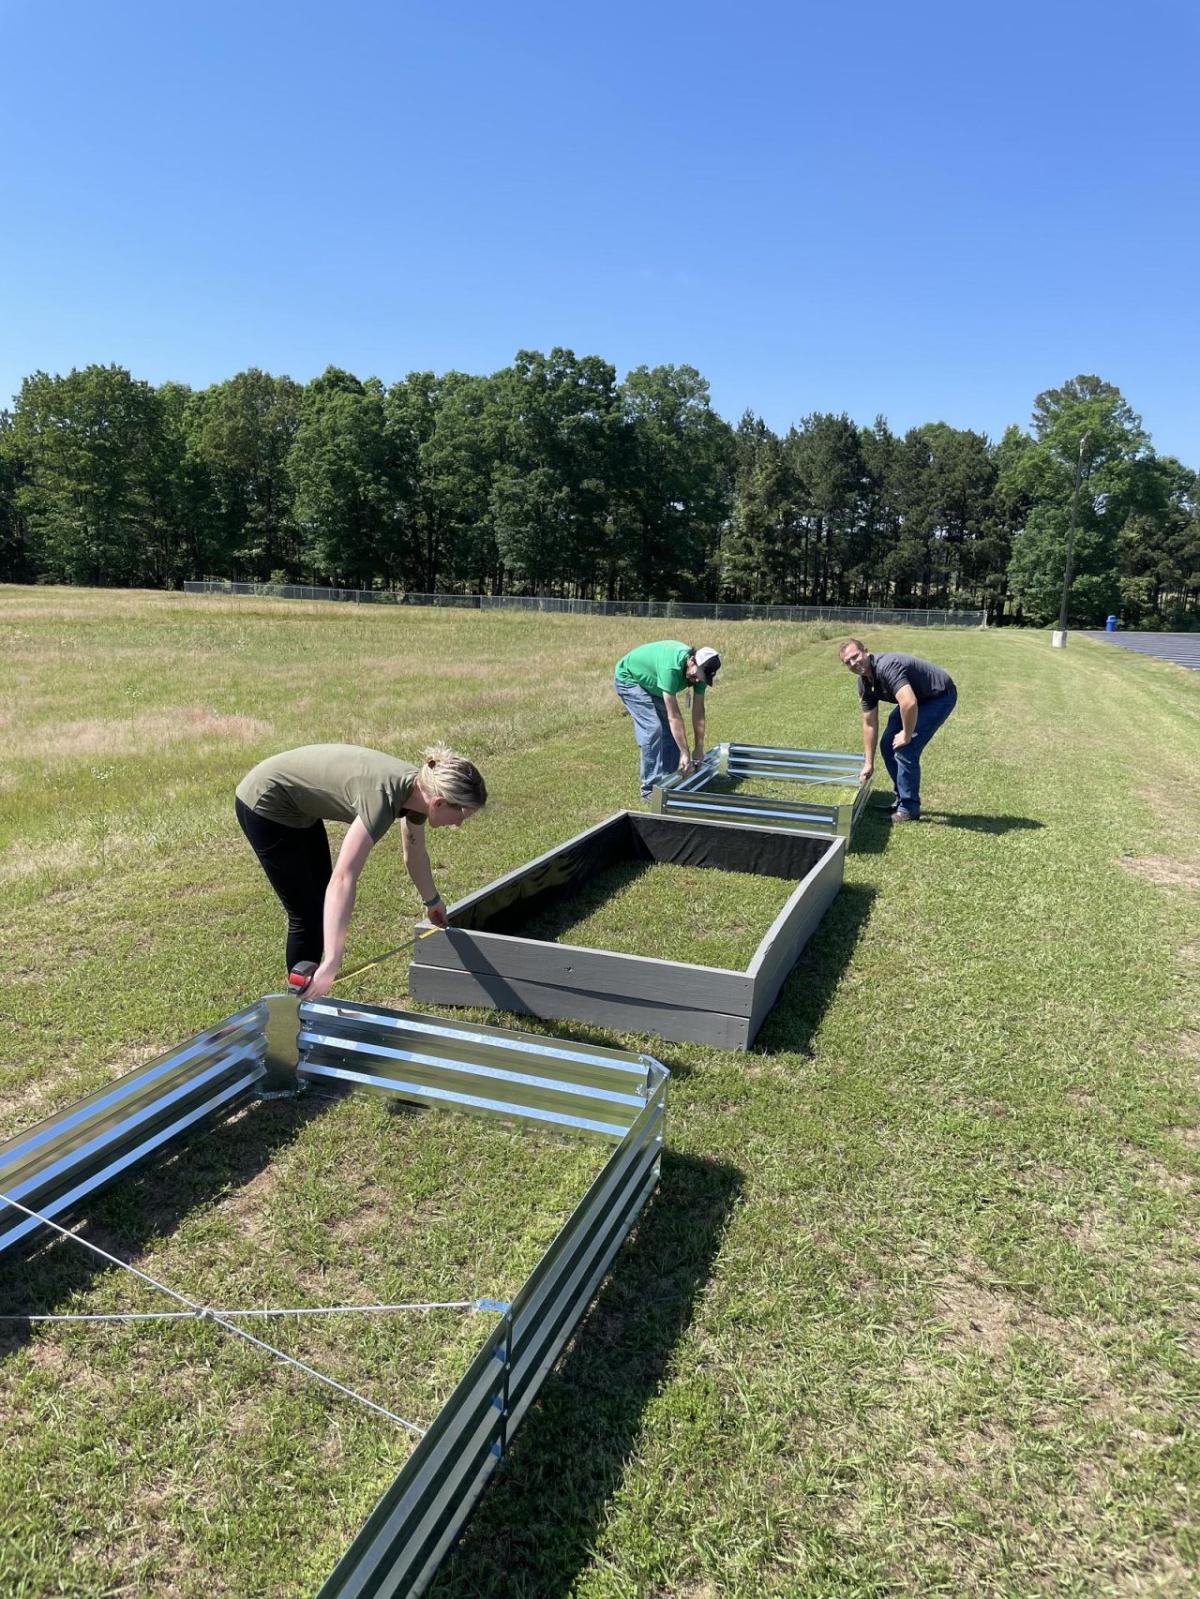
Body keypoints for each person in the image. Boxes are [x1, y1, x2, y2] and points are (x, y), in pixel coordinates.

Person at [235, 742, 486, 997]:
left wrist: (432, 900)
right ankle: (298, 1006)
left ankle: (308, 995)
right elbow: (343, 878)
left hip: (297, 806)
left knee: (321, 905)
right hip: (265, 802)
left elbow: (415, 853)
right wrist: (332, 961)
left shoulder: (420, 792)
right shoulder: (382, 798)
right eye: (461, 817)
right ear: (440, 803)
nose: (459, 825)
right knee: (307, 915)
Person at [838, 639, 957, 822]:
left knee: (904, 747)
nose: (854, 663)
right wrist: (869, 763)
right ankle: (901, 799)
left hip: (938, 695)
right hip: (917, 698)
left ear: (866, 652)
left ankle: (909, 809)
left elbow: (908, 703)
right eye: (848, 662)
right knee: (887, 744)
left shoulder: (887, 667)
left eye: (855, 656)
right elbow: (869, 723)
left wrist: (906, 735)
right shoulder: (864, 684)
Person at [613, 640, 722, 798]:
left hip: (654, 683)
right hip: (629, 679)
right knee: (652, 729)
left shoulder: (699, 675)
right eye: (696, 676)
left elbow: (698, 713)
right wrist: (685, 753)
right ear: (691, 660)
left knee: (671, 733)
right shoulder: (670, 668)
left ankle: (669, 781)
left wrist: (699, 747)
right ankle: (649, 789)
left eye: (701, 679)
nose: (696, 681)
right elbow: (674, 717)